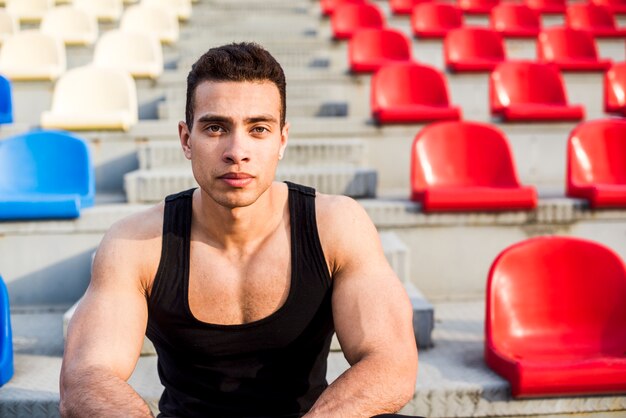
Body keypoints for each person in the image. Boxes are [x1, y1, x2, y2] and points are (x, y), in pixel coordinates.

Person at [60, 42, 418, 418]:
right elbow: (86, 376)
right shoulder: (135, 243)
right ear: (186, 139)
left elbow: (391, 363)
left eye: (258, 129)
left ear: (281, 139)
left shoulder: (336, 225)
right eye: (216, 128)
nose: (237, 151)